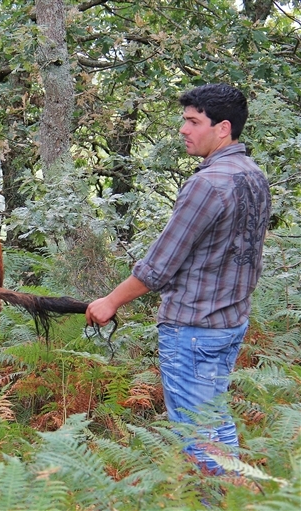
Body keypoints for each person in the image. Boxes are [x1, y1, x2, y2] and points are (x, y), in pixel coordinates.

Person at [86, 83, 271, 473]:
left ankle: (213, 499)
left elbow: (158, 266)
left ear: (223, 128)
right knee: (214, 419)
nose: (183, 129)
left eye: (192, 121)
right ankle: (234, 495)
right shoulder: (252, 175)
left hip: (193, 330)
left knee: (194, 432)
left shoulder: (207, 184)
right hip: (230, 323)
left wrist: (110, 302)